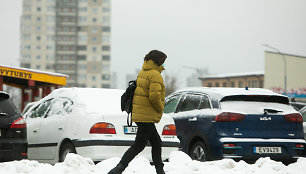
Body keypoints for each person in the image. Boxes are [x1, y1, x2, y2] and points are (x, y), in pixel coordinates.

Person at [108, 50, 167, 174]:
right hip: (147, 115)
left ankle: (160, 171)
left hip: (140, 114)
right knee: (139, 145)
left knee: (156, 143)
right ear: (158, 60)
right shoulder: (155, 75)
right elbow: (155, 96)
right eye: (163, 61)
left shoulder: (143, 72)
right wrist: (161, 107)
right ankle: (118, 169)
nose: (164, 63)